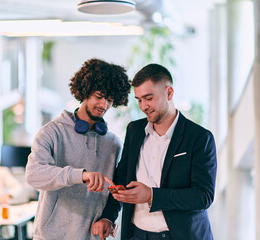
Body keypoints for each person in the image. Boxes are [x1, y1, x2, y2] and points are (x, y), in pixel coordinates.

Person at [92, 63, 217, 240]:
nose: (143, 106)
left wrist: (152, 195)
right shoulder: (134, 130)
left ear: (169, 93)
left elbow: (203, 196)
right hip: (137, 234)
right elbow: (121, 179)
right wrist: (108, 217)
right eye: (139, 100)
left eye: (149, 98)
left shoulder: (199, 137)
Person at [25, 58, 131, 240]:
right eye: (99, 97)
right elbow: (33, 174)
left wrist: (107, 218)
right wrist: (81, 175)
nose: (103, 105)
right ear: (85, 91)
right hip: (51, 236)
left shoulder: (114, 144)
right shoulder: (52, 132)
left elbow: (114, 192)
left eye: (109, 100)